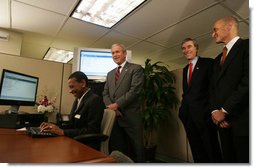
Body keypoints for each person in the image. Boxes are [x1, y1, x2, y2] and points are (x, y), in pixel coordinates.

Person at [210, 16, 249, 163]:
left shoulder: (247, 46)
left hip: (243, 122)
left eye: (215, 30)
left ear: (229, 26)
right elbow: (212, 88)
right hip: (221, 123)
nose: (213, 34)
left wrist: (225, 111)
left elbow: (248, 82)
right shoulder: (217, 58)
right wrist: (215, 112)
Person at [178, 38, 221, 162]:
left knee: (211, 149)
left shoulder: (208, 63)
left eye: (189, 46)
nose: (186, 50)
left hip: (205, 116)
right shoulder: (185, 69)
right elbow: (186, 93)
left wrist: (213, 110)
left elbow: (213, 89)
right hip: (188, 117)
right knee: (196, 149)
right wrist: (182, 112)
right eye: (183, 48)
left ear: (196, 48)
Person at [40, 71, 105, 150]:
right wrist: (55, 126)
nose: (70, 91)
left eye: (72, 87)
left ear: (83, 83)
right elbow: (72, 124)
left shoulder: (94, 100)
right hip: (76, 141)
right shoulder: (78, 99)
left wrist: (63, 132)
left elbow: (92, 130)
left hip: (86, 146)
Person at [103, 43, 144, 162]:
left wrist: (116, 105)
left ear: (125, 53)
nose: (115, 54)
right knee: (118, 150)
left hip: (131, 118)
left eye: (118, 52)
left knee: (137, 150)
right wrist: (112, 109)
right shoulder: (110, 74)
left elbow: (135, 91)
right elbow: (105, 93)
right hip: (114, 118)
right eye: (113, 53)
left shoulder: (135, 68)